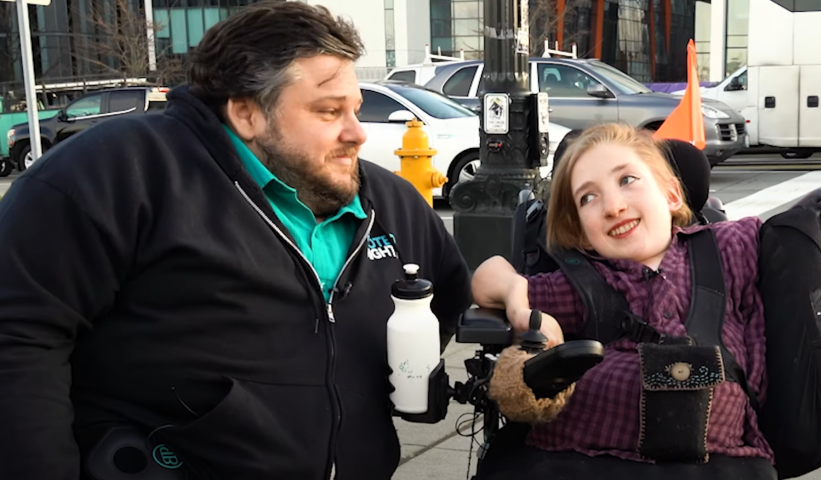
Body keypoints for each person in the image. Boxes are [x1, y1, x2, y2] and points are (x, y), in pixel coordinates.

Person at [0, 2, 472, 479]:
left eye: (355, 110)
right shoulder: (117, 173)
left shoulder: (389, 201)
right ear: (247, 113)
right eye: (329, 112)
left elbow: (447, 298)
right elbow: (20, 340)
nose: (357, 133)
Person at [471, 123, 775, 479]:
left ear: (671, 195)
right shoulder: (585, 282)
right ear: (583, 235)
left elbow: (790, 243)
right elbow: (486, 277)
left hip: (720, 461)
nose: (613, 206)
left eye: (627, 179)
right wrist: (520, 304)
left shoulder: (728, 249)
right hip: (581, 458)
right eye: (588, 198)